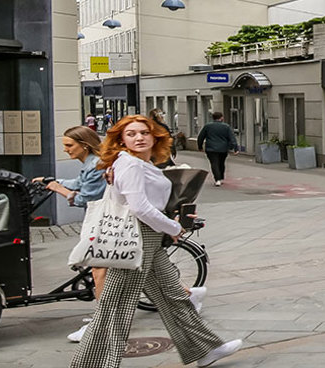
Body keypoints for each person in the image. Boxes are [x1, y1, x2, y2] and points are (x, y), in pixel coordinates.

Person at [73, 115, 240, 368]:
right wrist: (173, 227)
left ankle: (205, 349)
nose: (139, 138)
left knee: (173, 296)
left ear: (155, 137)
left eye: (144, 133)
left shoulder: (139, 163)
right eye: (131, 134)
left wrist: (169, 220)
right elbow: (139, 207)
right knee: (115, 305)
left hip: (147, 237)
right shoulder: (130, 164)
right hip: (135, 238)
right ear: (121, 140)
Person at [32, 126, 118, 344]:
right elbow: (79, 183)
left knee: (100, 269)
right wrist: (52, 181)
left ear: (85, 145)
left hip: (105, 222)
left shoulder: (96, 164)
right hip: (104, 221)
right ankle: (187, 295)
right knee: (142, 270)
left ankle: (102, 323)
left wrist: (59, 189)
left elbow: (85, 197)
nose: (66, 150)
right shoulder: (90, 163)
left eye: (69, 145)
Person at [196, 111, 237, 186]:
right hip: (223, 149)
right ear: (221, 118)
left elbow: (201, 137)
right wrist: (235, 148)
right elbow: (232, 138)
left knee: (214, 163)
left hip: (211, 148)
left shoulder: (208, 126)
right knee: (221, 163)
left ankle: (217, 179)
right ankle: (220, 177)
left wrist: (200, 146)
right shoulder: (226, 127)